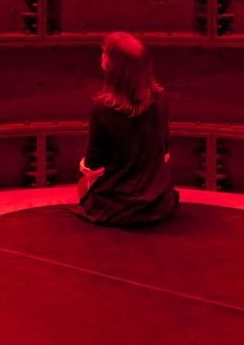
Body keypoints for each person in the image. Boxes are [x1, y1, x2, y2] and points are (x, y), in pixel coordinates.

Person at [77, 31, 179, 225]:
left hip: (118, 206)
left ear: (112, 64)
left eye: (104, 52)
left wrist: (84, 166)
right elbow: (165, 152)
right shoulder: (160, 98)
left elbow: (94, 163)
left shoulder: (102, 108)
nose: (102, 55)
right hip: (158, 201)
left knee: (82, 185)